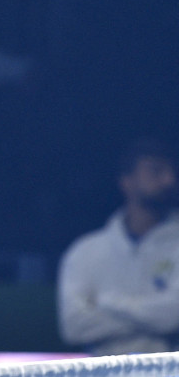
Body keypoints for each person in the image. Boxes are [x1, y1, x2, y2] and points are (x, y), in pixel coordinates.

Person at [57, 138, 179, 356]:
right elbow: (74, 327)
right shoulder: (85, 251)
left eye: (172, 172)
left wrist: (108, 303)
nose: (168, 180)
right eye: (155, 171)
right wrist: (153, 317)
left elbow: (174, 316)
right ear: (127, 181)